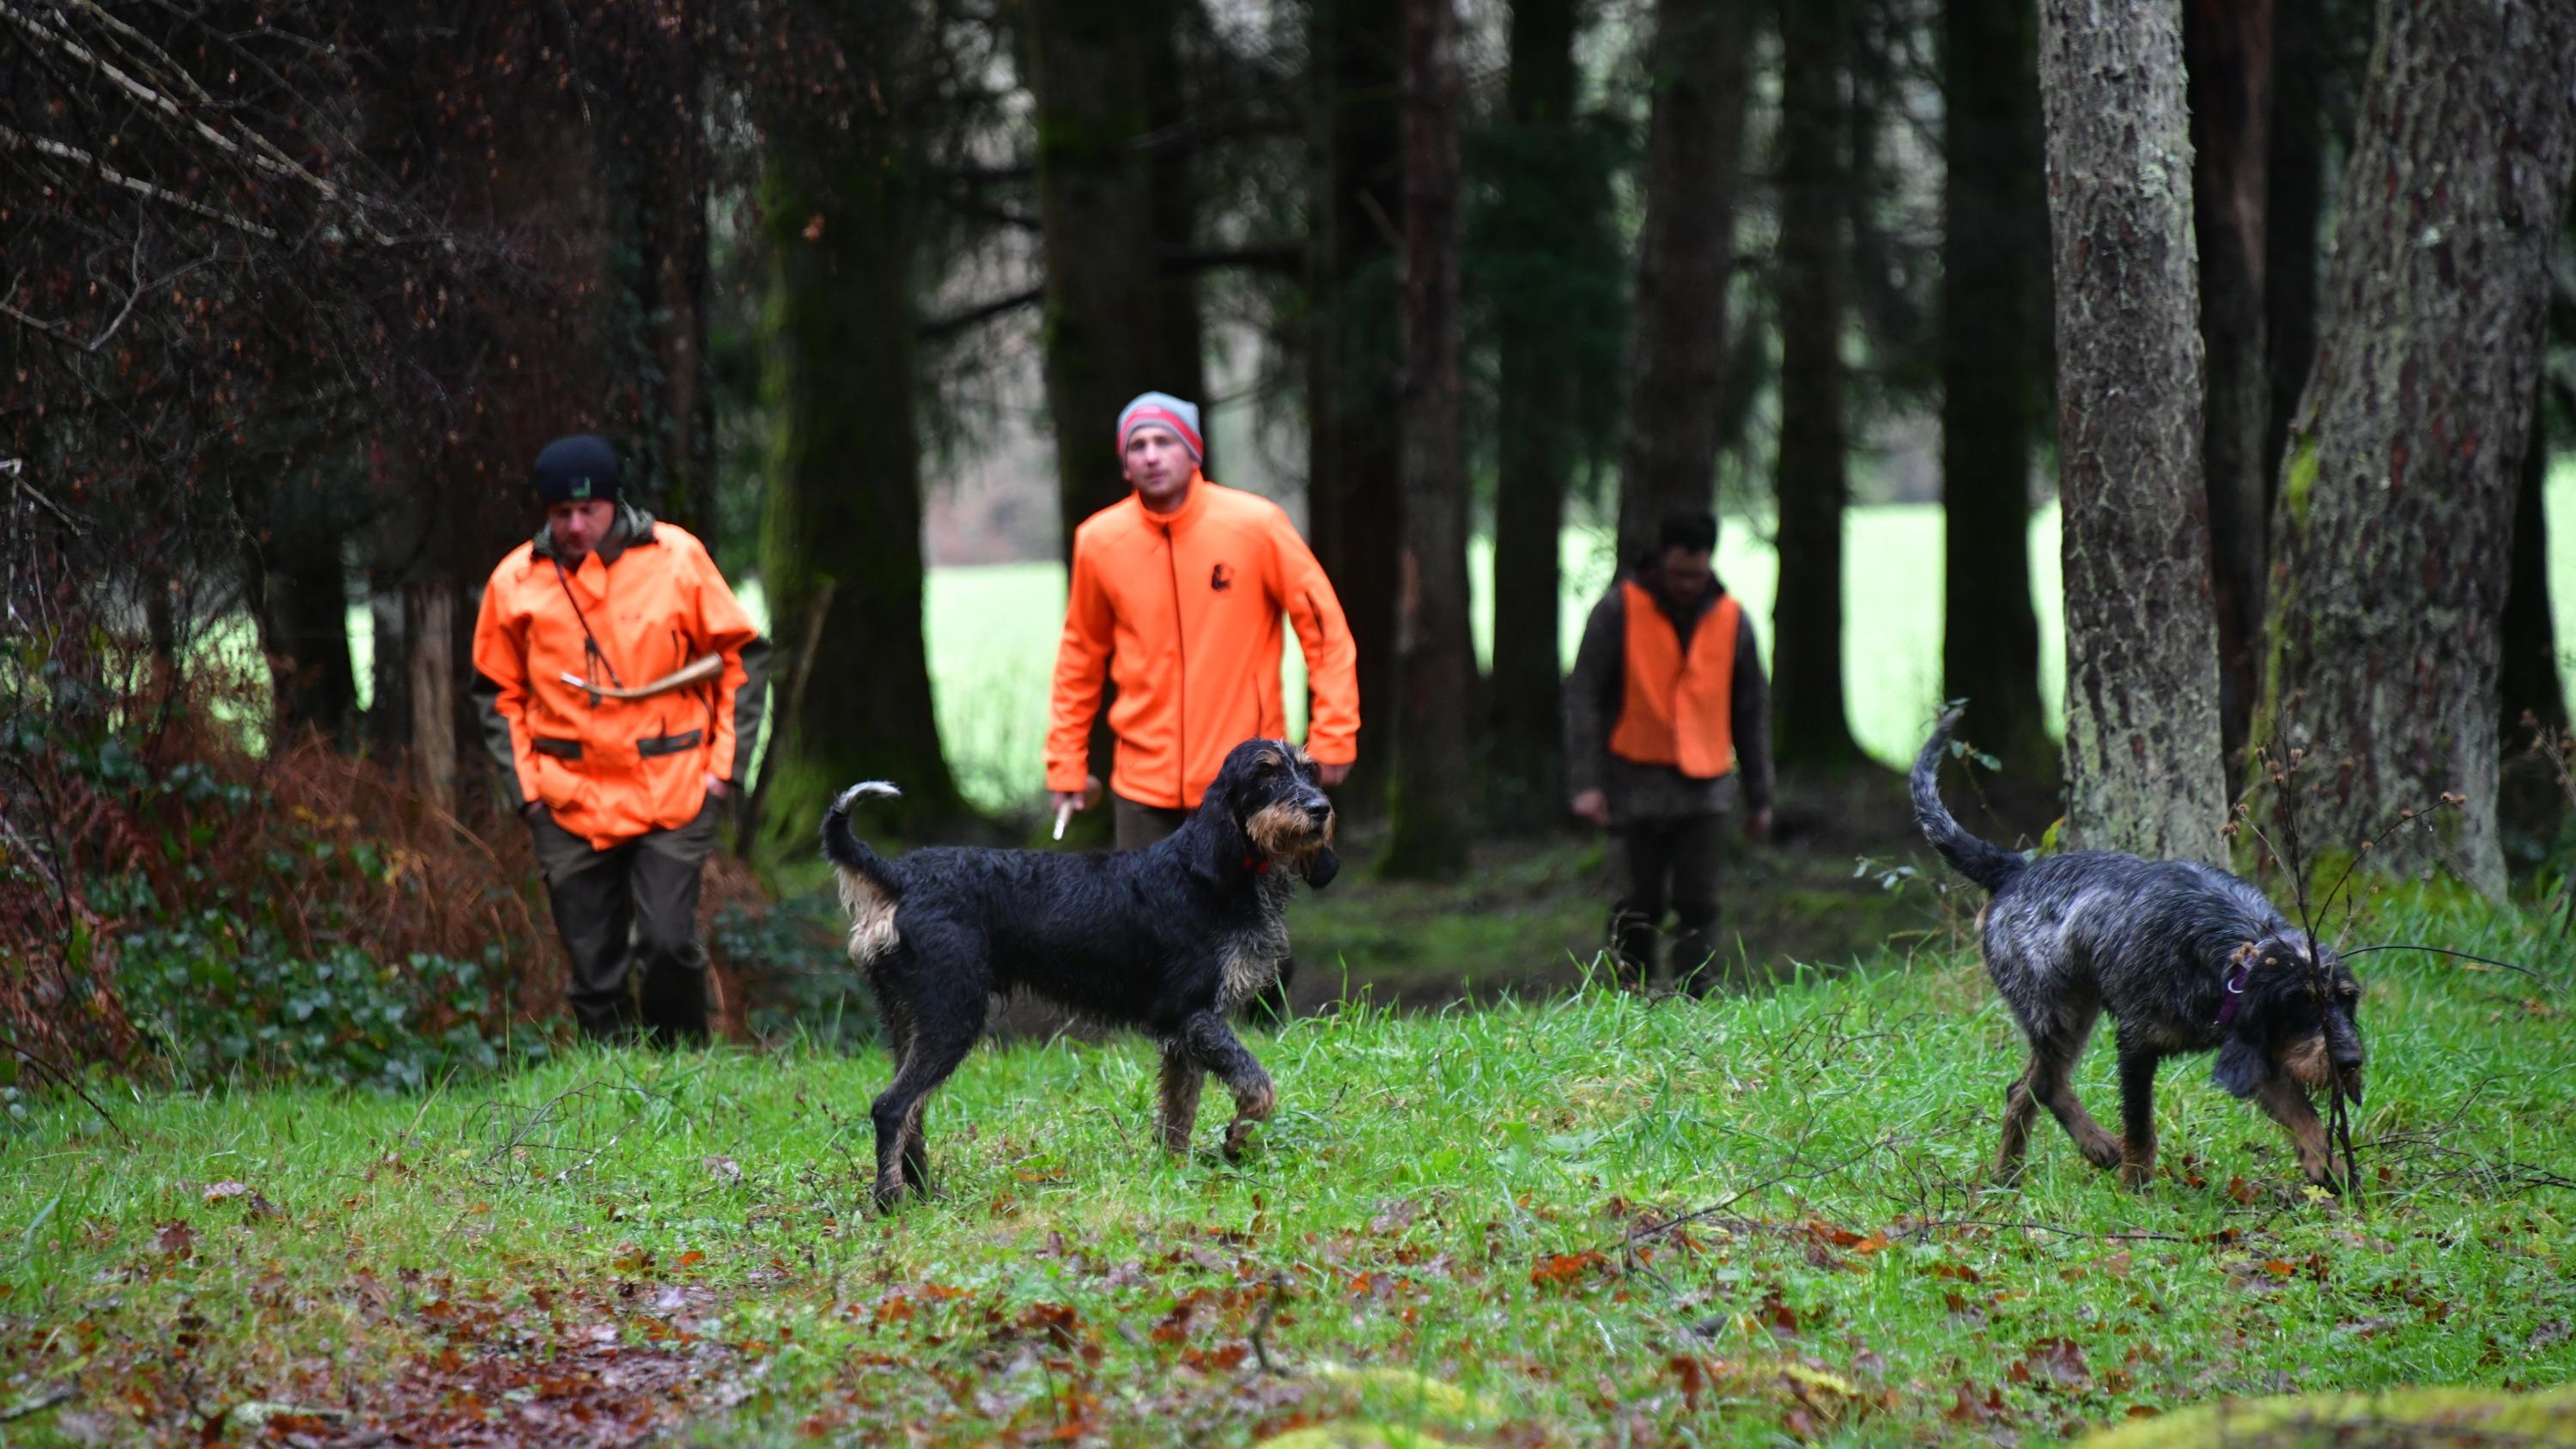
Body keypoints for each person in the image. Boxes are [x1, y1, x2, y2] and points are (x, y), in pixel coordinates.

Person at [471, 434, 769, 1044]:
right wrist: (527, 792)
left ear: (615, 503)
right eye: (562, 514)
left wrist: (723, 772)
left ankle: (681, 1065)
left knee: (666, 942)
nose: (576, 525)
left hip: (676, 788)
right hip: (566, 796)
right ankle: (608, 1086)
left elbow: (742, 658)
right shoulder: (515, 581)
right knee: (593, 965)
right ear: (546, 513)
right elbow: (497, 693)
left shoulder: (677, 558)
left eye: (589, 511)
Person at [1048, 391, 1362, 848]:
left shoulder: (1257, 525)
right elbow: (1080, 658)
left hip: (1248, 782)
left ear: (1194, 451)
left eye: (1165, 441)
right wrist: (1065, 762)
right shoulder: (1099, 541)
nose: (1152, 455)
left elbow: (1324, 630)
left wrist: (1333, 735)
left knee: (1245, 919)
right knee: (1142, 920)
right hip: (1141, 788)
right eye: (1138, 445)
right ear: (1124, 463)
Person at [1564, 511, 1774, 995]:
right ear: (1661, 558)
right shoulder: (1619, 610)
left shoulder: (1732, 619)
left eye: (1696, 574)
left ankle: (1696, 1001)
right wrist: (1586, 784)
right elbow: (1584, 696)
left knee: (1700, 903)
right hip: (1631, 783)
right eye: (1679, 573)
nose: (1687, 584)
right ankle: (1630, 996)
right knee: (1636, 903)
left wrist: (1761, 797)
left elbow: (1752, 711)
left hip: (1706, 790)